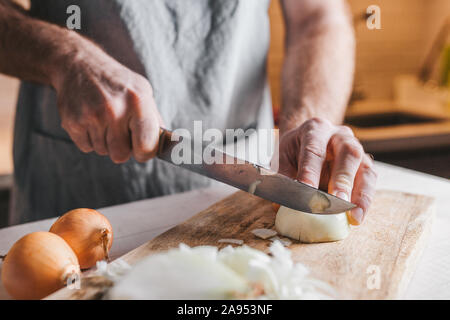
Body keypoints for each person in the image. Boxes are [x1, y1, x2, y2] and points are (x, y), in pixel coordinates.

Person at [0, 0, 376, 226]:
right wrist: (65, 56)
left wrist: (305, 123)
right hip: (73, 193)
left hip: (240, 197)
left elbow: (318, 17)